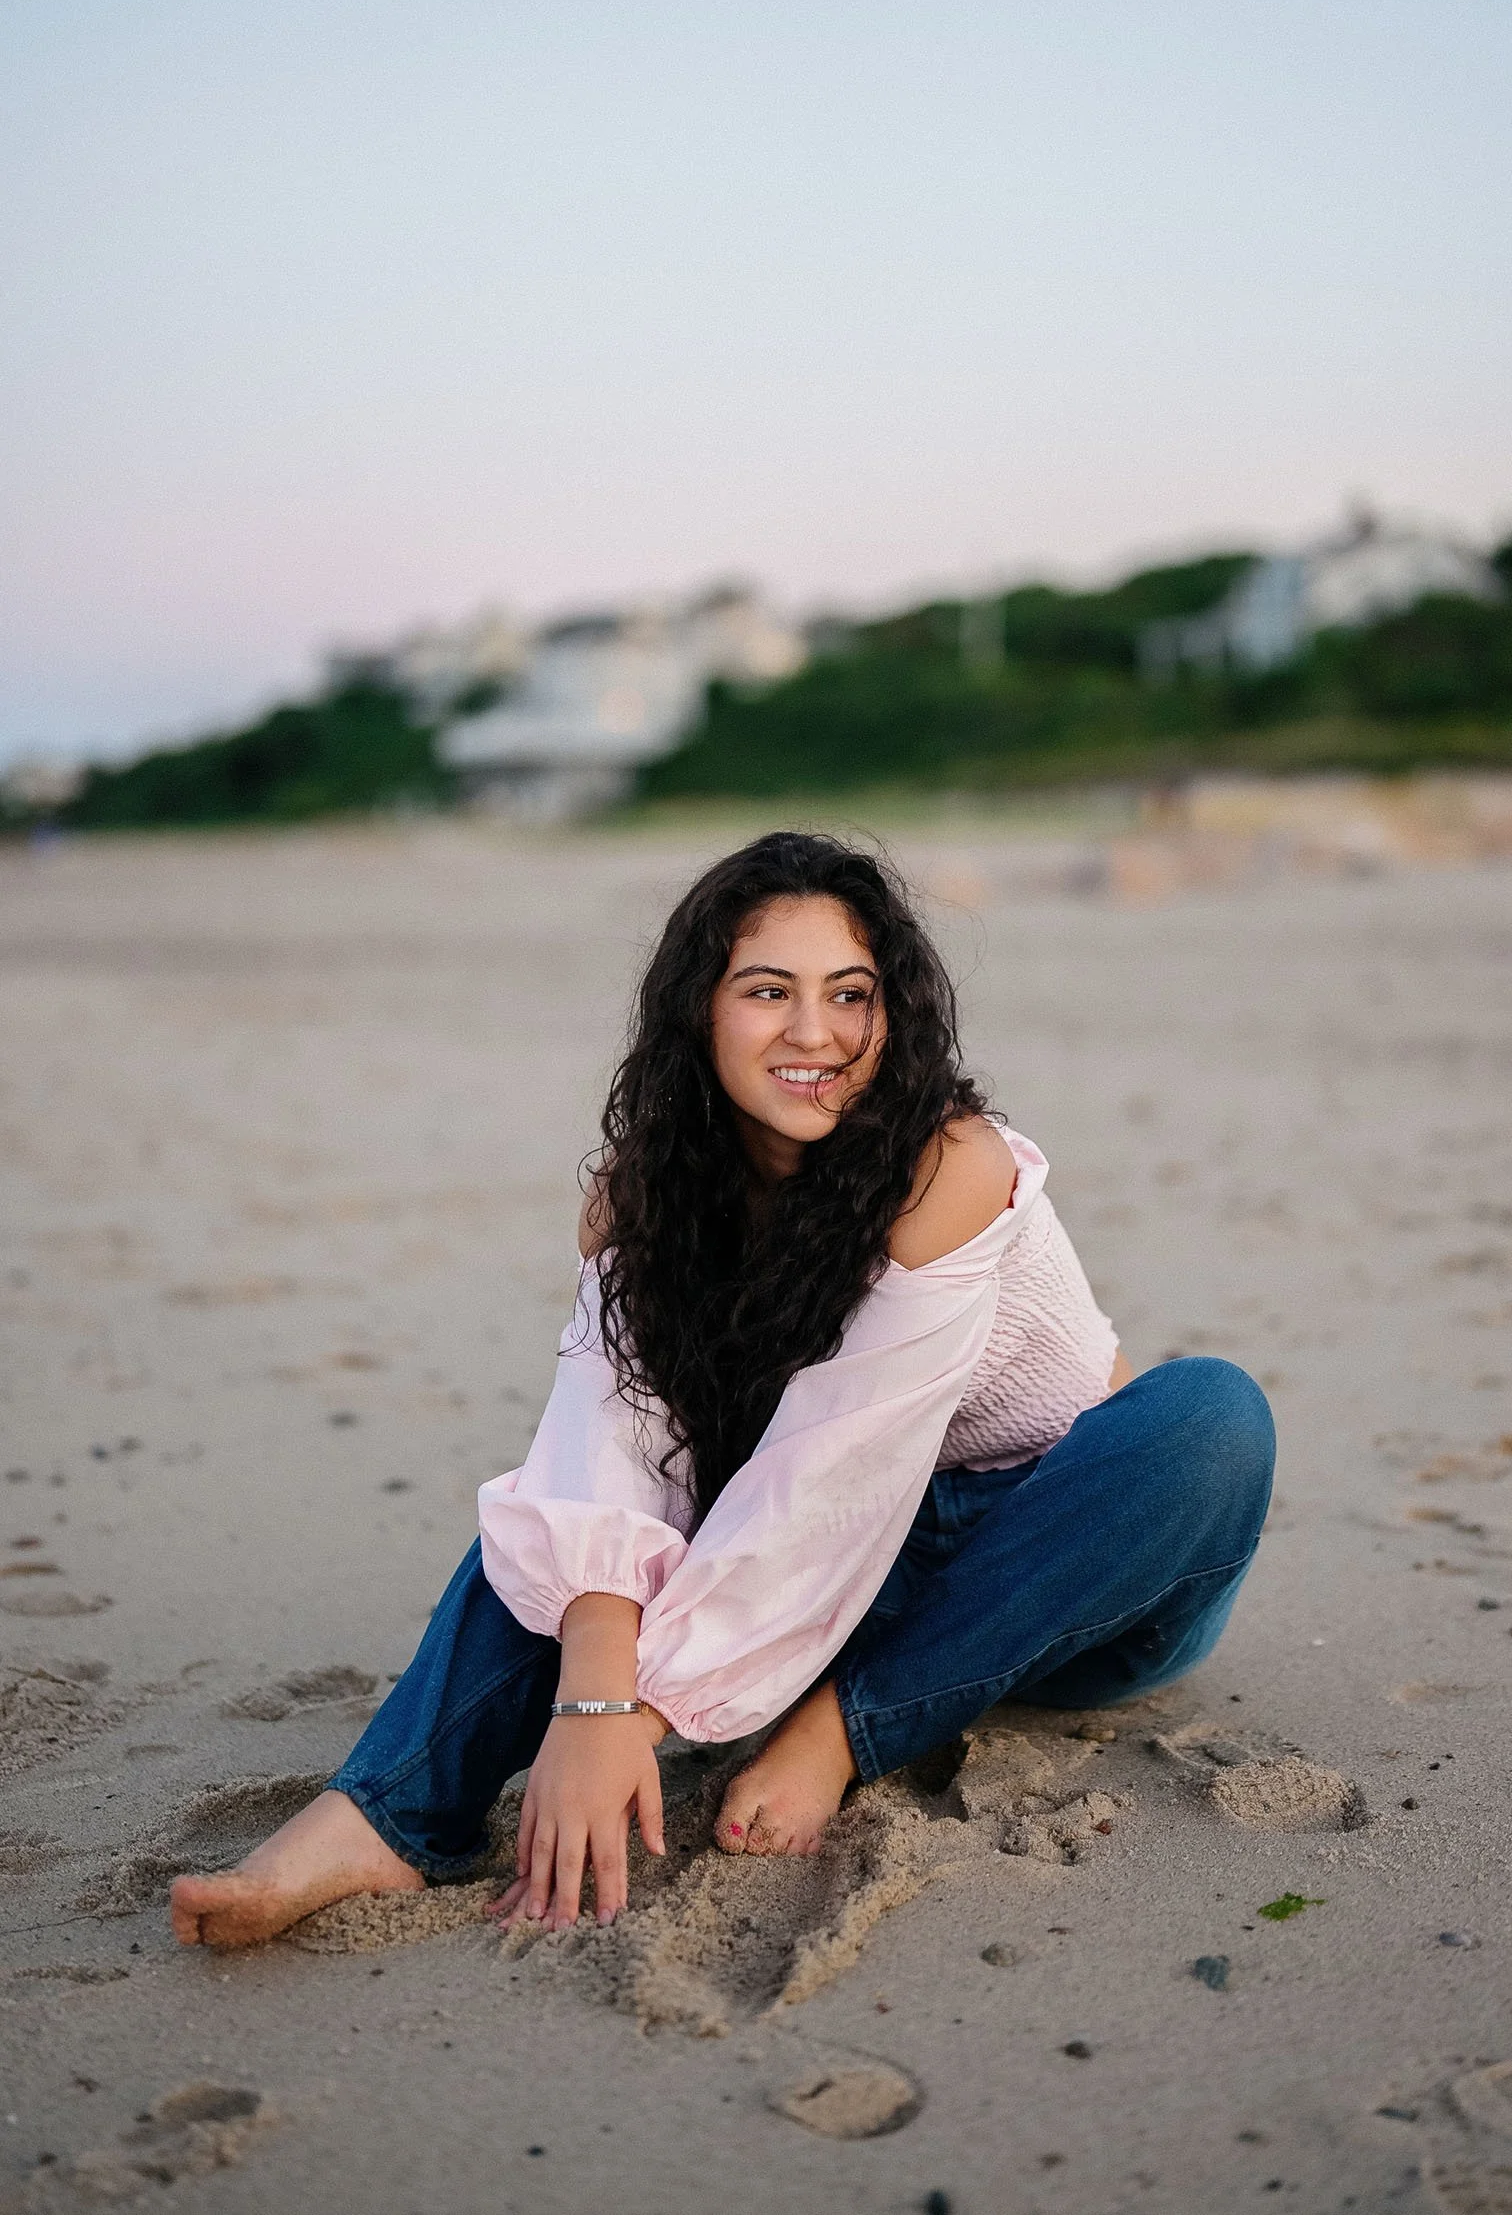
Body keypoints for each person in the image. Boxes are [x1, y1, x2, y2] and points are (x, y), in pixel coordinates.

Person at [171, 832, 1273, 1950]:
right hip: (839, 1570)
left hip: (1059, 1575)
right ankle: (385, 1814)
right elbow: (613, 1453)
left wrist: (626, 1717)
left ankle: (837, 1733)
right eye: (766, 991)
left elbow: (834, 1479)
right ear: (697, 1010)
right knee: (550, 1523)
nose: (815, 1033)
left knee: (1209, 1413)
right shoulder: (636, 1197)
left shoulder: (946, 1167)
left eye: (850, 993)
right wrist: (589, 1701)